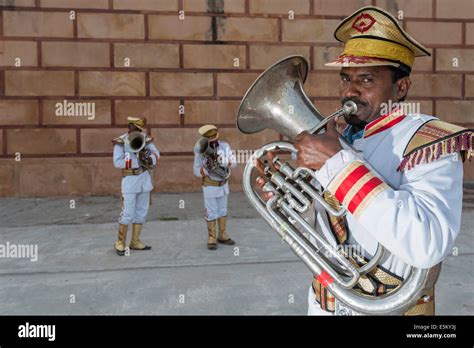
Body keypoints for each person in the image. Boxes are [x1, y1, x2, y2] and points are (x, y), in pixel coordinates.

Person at [256, 6, 472, 315]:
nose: (350, 90)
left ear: (401, 87)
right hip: (322, 304)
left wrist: (336, 165)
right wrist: (292, 202)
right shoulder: (340, 138)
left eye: (366, 79)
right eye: (345, 79)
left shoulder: (428, 139)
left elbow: (427, 243)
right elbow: (330, 227)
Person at [112, 117, 160, 256]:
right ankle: (120, 242)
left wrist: (149, 159)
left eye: (140, 129)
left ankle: (135, 241)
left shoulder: (146, 139)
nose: (138, 132)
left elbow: (157, 154)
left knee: (141, 212)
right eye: (135, 128)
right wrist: (137, 160)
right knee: (128, 212)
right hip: (130, 181)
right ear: (130, 126)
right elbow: (117, 162)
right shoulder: (120, 142)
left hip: (144, 179)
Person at [194, 125, 237, 250]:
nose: (212, 141)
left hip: (223, 184)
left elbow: (233, 162)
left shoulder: (225, 146)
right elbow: (196, 171)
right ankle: (211, 237)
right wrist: (207, 168)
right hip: (210, 186)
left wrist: (222, 160)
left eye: (213, 138)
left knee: (223, 211)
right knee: (211, 212)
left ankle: (222, 234)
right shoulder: (199, 150)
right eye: (209, 139)